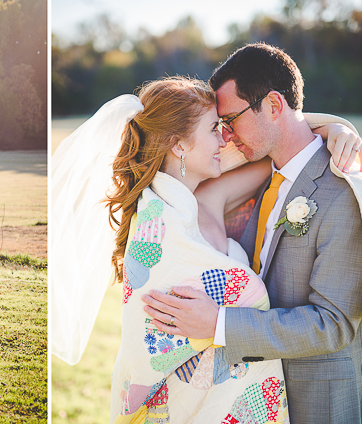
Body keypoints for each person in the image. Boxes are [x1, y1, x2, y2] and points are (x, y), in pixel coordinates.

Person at [50, 75, 359, 421]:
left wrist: (333, 131)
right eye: (215, 128)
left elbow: (283, 151)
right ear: (179, 145)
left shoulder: (206, 200)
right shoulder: (157, 226)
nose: (225, 137)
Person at [142, 43, 362, 423]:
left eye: (231, 120)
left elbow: (334, 324)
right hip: (255, 399)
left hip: (317, 402)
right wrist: (335, 125)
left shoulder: (340, 190)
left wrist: (218, 323)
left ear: (274, 106)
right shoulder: (256, 172)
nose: (225, 137)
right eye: (219, 126)